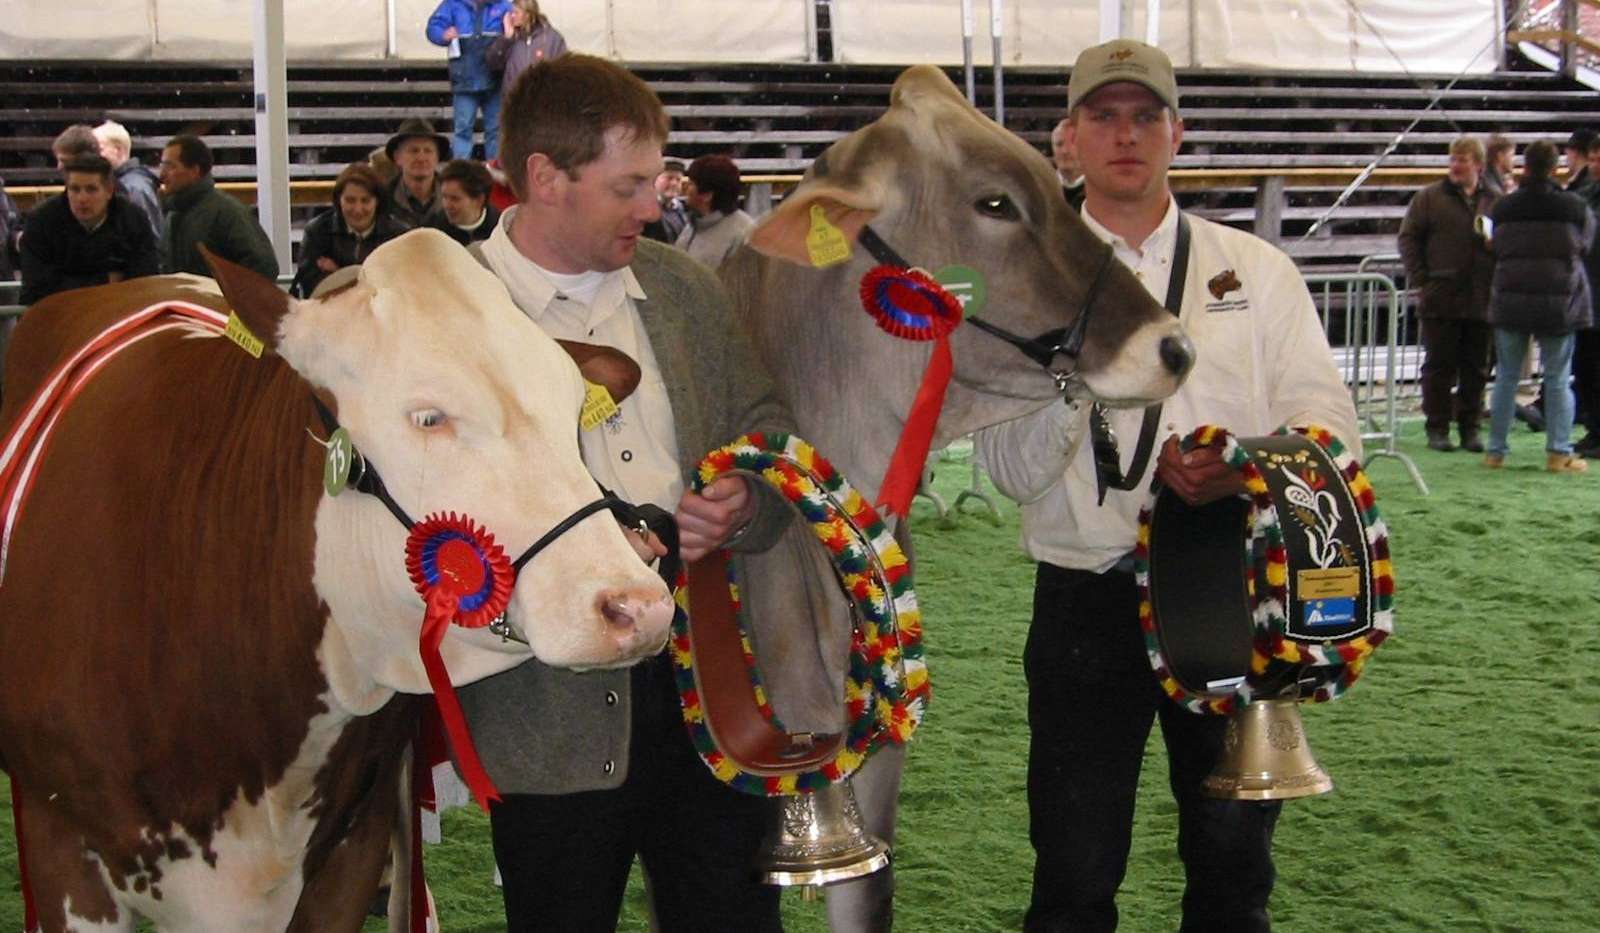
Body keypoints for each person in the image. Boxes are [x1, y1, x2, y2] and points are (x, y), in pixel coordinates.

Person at [975, 39, 1358, 933]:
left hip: (1230, 589)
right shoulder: (1026, 282)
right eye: (1103, 116)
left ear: (1176, 132)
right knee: (1073, 871)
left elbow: (1331, 424)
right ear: (1068, 137)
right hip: (1084, 599)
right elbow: (1005, 472)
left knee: (1233, 868)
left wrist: (1247, 464)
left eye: (1145, 115)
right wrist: (1073, 376)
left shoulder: (1255, 271)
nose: (1125, 135)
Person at [455, 53, 792, 932]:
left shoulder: (682, 288)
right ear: (544, 179)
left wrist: (747, 501)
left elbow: (770, 429)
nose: (655, 206)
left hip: (708, 699)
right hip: (547, 717)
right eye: (628, 186)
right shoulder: (455, 313)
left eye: (658, 180)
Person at [1483, 140, 1594, 473]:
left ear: (1525, 165)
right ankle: (1558, 452)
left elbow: (1495, 247)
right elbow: (1585, 246)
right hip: (1558, 302)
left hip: (1511, 300)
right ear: (1554, 166)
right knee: (1558, 379)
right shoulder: (1574, 207)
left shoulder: (1504, 208)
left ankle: (1496, 451)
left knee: (1505, 378)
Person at [1397, 136, 1497, 452]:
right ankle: (1437, 428)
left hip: (1481, 297)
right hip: (1440, 295)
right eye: (1453, 159)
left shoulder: (1496, 200)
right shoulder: (1428, 199)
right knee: (1438, 367)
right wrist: (1422, 279)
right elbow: (1408, 239)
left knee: (1476, 368)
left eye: (1462, 160)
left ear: (1478, 165)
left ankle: (1471, 428)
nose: (1455, 165)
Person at [19, 155, 159, 306]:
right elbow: (35, 287)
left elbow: (145, 281)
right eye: (74, 189)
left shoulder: (133, 219)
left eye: (91, 189)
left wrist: (72, 282)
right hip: (57, 314)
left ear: (109, 191)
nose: (82, 198)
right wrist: (104, 280)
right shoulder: (41, 220)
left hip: (118, 311)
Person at [158, 134, 278, 280]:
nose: (162, 174)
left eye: (170, 166)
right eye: (162, 165)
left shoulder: (226, 212)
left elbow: (263, 265)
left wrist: (224, 296)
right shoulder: (173, 214)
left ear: (195, 171)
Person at [290, 163, 408, 298]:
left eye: (365, 201)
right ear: (338, 200)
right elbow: (310, 286)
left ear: (378, 201)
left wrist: (339, 275)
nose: (358, 209)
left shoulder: (398, 235)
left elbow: (400, 287)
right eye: (350, 200)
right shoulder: (317, 231)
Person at [426, 0, 511, 160]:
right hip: (467, 80)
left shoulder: (504, 6)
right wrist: (442, 35)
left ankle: (493, 171)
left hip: (491, 80)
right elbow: (433, 28)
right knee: (467, 129)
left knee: (491, 130)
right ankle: (462, 171)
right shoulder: (452, 4)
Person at [674, 153, 756, 270]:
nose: (685, 187)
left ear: (707, 195)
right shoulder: (693, 224)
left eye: (691, 183)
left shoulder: (743, 235)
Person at [91, 120, 165, 243]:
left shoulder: (134, 187)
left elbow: (149, 239)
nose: (92, 156)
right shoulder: (125, 184)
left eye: (99, 149)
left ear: (118, 150)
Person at [384, 118, 450, 228]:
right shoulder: (382, 200)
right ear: (397, 157)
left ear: (437, 157)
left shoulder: (457, 199)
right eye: (414, 151)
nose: (421, 158)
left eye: (428, 151)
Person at [490, 0, 568, 91]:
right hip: (515, 97)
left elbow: (563, 69)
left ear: (528, 14)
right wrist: (506, 39)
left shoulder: (552, 39)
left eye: (516, 13)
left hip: (543, 97)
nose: (512, 16)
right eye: (510, 13)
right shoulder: (509, 37)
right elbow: (493, 64)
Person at [423, 158, 500, 246]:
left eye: (455, 199)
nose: (446, 205)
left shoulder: (502, 230)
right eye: (444, 197)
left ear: (479, 200)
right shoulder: (431, 232)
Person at [641, 158, 688, 244]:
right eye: (669, 178)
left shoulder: (681, 209)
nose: (674, 183)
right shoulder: (643, 210)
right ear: (653, 180)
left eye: (678, 179)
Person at [1051, 116, 1085, 209]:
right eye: (1059, 144)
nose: (1065, 151)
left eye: (1073, 143)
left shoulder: (1101, 191)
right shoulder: (1042, 188)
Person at [1483, 133, 1516, 198]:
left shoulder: (1490, 176)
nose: (1514, 160)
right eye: (1511, 155)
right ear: (1500, 156)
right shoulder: (1493, 190)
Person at [1564, 129, 1596, 194]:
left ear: (1574, 152)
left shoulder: (1582, 185)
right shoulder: (1594, 180)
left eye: (1567, 152)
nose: (1567, 157)